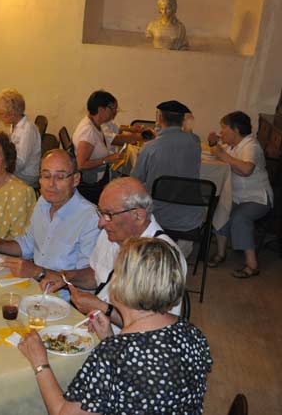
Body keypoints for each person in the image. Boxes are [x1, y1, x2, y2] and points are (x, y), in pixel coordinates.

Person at [18, 237, 212, 414]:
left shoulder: (113, 354)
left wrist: (40, 363)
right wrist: (109, 336)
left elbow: (63, 413)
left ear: (122, 284)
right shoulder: (193, 333)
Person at [42, 177, 187, 328]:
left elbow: (155, 328)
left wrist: (103, 309)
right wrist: (65, 277)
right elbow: (97, 275)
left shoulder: (163, 258)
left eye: (108, 215)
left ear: (138, 216)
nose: (100, 223)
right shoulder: (111, 233)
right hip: (96, 326)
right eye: (100, 212)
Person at [0, 149, 99, 293]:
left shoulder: (90, 217)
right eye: (46, 176)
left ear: (75, 179)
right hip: (34, 287)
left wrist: (39, 272)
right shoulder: (43, 202)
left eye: (60, 177)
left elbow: (92, 277)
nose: (51, 184)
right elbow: (27, 244)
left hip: (66, 298)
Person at [207, 111, 273, 278]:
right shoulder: (232, 146)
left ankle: (252, 265)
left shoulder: (251, 146)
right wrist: (213, 143)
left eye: (224, 128)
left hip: (257, 198)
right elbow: (219, 153)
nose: (221, 132)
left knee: (239, 218)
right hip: (237, 196)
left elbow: (246, 169)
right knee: (221, 210)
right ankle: (221, 253)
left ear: (235, 130)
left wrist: (223, 155)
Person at [132, 100, 202, 236]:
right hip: (190, 218)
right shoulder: (195, 142)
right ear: (183, 120)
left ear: (159, 119)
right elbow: (189, 135)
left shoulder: (149, 147)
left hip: (157, 217)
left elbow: (135, 180)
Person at [72, 90, 124, 185]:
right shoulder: (88, 131)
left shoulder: (96, 124)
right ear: (101, 110)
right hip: (93, 182)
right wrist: (107, 159)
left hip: (101, 175)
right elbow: (81, 164)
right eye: (112, 108)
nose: (115, 112)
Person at [0, 89, 41, 187]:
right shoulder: (14, 125)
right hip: (19, 170)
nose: (0, 117)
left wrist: (1, 167)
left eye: (1, 114)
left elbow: (20, 162)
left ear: (12, 113)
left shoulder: (27, 130)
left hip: (26, 175)